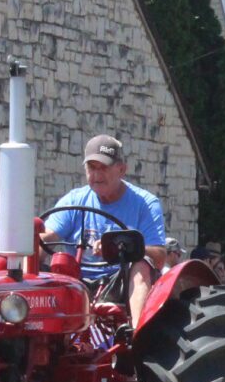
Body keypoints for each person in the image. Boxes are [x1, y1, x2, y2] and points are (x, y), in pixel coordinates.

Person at [41, 134, 167, 326]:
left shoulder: (145, 204)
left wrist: (119, 246)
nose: (97, 175)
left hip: (121, 281)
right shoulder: (74, 201)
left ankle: (138, 336)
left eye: (104, 168)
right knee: (45, 262)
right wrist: (31, 244)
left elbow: (159, 256)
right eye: (92, 168)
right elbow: (49, 236)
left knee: (141, 265)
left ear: (121, 169)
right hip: (76, 282)